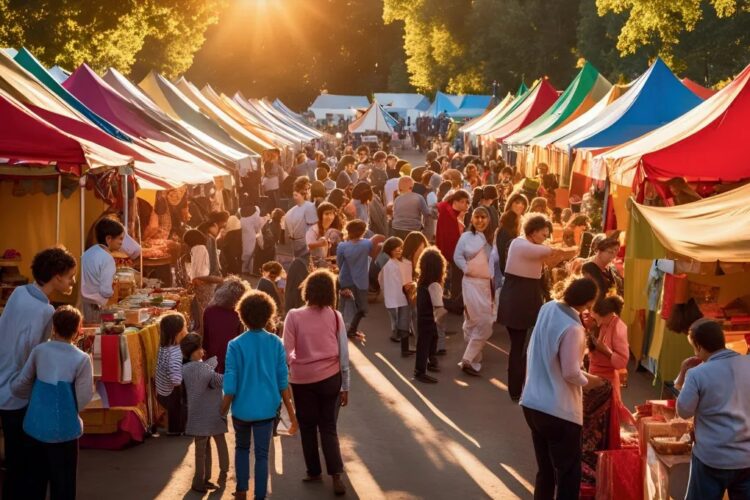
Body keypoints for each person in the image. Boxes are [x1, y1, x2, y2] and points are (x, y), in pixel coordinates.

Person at [0, 247, 77, 500]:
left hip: (3, 380)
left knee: (14, 462)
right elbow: (35, 355)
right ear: (56, 276)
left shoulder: (19, 292)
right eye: (69, 276)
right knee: (26, 464)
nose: (71, 281)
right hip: (17, 391)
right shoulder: (45, 311)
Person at [520, 278, 603, 500]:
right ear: (588, 303)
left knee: (545, 470)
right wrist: (591, 382)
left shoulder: (548, 308)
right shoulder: (574, 329)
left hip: (532, 403)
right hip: (557, 410)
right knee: (568, 474)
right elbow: (571, 373)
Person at [11, 305, 94, 500]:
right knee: (63, 485)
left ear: (54, 327)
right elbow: (84, 397)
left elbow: (21, 383)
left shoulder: (40, 351)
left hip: (35, 425)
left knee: (35, 482)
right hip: (65, 431)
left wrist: (32, 398)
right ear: (78, 330)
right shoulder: (81, 359)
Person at [222, 291, 298, 500]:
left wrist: (220, 412)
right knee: (263, 455)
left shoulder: (235, 344)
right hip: (267, 410)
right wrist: (292, 416)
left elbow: (230, 384)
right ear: (268, 316)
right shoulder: (275, 343)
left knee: (242, 448)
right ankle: (260, 495)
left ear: (242, 315)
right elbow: (283, 382)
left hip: (241, 410)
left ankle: (241, 490)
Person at [283, 270, 351, 496]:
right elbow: (343, 353)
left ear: (307, 290)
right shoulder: (335, 315)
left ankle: (313, 470)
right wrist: (345, 386)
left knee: (308, 427)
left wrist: (296, 366)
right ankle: (336, 476)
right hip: (331, 378)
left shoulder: (293, 315)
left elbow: (286, 352)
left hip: (302, 380)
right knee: (329, 427)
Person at [499, 215, 577, 401]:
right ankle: (516, 389)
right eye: (543, 234)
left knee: (526, 347)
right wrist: (572, 250)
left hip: (527, 297)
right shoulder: (519, 244)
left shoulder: (530, 246)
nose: (545, 237)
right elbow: (551, 252)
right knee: (519, 347)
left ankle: (523, 387)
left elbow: (550, 258)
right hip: (518, 299)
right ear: (532, 232)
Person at [676, 319, 750, 499]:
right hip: (746, 458)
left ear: (699, 347)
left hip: (712, 458)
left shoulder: (697, 373)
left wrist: (684, 372)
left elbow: (684, 411)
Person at [180, 333, 229, 493]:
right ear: (195, 351)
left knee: (202, 450)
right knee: (211, 447)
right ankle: (207, 478)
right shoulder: (204, 369)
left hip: (196, 416)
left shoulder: (185, 368)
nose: (203, 350)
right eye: (200, 348)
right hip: (210, 415)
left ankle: (203, 479)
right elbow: (219, 381)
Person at [454, 207, 495, 376]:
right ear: (472, 219)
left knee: (482, 322)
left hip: (487, 285)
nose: (480, 221)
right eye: (477, 217)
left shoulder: (493, 238)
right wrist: (467, 269)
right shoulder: (465, 237)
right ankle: (468, 359)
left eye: (483, 217)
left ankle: (472, 357)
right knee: (478, 321)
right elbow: (457, 256)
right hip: (470, 283)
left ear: (489, 219)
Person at [336, 219, 380, 338]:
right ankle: (351, 329)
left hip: (345, 279)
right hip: (361, 281)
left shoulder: (342, 246)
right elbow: (375, 249)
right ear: (363, 231)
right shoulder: (367, 244)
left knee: (344, 306)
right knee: (362, 308)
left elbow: (339, 264)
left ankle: (341, 329)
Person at [202, 277, 250, 374]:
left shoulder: (209, 310)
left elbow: (205, 339)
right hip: (232, 359)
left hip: (213, 359)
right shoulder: (239, 313)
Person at [81, 218, 124, 322]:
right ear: (109, 239)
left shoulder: (87, 253)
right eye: (120, 239)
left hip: (85, 305)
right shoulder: (107, 258)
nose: (121, 242)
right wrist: (115, 290)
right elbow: (105, 291)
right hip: (99, 308)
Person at [414, 247, 447, 383]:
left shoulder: (422, 282)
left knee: (430, 340)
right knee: (425, 344)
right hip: (429, 319)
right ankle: (420, 371)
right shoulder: (435, 285)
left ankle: (431, 360)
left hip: (422, 318)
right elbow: (438, 305)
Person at [436, 189, 471, 314]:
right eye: (463, 202)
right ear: (455, 201)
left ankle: (454, 300)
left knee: (456, 274)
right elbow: (450, 235)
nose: (466, 205)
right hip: (452, 249)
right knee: (457, 275)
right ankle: (455, 302)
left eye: (467, 202)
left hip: (452, 248)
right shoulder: (449, 214)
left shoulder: (450, 211)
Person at [378, 237, 414, 356]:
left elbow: (381, 280)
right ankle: (404, 349)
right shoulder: (392, 265)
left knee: (402, 322)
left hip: (398, 297)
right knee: (403, 322)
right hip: (401, 297)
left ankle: (404, 348)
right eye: (395, 249)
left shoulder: (395, 264)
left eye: (400, 248)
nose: (399, 251)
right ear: (390, 250)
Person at [156, 312, 188, 435]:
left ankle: (174, 428)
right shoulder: (175, 352)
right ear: (179, 332)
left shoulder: (164, 346)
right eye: (185, 327)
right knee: (177, 409)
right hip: (171, 391)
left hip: (162, 389)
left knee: (175, 410)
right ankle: (176, 430)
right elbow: (176, 379)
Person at [184, 229, 222, 332]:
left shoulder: (198, 248)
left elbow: (198, 270)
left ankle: (206, 332)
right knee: (204, 310)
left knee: (204, 310)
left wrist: (194, 279)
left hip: (202, 284)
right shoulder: (199, 248)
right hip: (202, 282)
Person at [285, 176, 319, 258]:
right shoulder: (310, 208)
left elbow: (287, 239)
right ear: (306, 191)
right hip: (308, 250)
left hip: (294, 251)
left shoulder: (289, 213)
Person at [306, 202, 343, 269]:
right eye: (326, 214)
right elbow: (308, 245)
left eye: (331, 214)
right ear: (320, 215)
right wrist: (320, 243)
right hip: (313, 262)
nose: (329, 217)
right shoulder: (314, 228)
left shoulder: (331, 229)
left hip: (326, 260)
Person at [239, 203, 264, 275]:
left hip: (243, 234)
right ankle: (249, 270)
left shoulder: (242, 214)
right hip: (251, 235)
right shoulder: (255, 214)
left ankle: (243, 268)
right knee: (251, 252)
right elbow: (257, 227)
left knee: (245, 251)